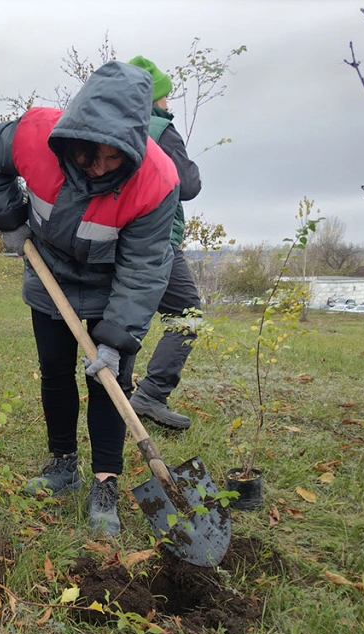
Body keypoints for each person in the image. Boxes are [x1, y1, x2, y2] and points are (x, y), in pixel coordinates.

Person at [0, 61, 179, 536]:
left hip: (110, 287)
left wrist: (116, 337)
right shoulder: (33, 135)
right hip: (47, 275)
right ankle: (62, 463)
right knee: (56, 371)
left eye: (114, 160)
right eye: (91, 155)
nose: (101, 167)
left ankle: (105, 482)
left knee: (110, 381)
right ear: (73, 137)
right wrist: (8, 218)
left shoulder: (157, 180)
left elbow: (144, 267)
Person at [126, 56, 203, 431]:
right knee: (187, 316)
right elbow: (188, 186)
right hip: (158, 238)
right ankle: (152, 394)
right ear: (153, 98)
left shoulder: (117, 128)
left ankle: (117, 394)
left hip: (119, 236)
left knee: (126, 315)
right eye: (165, 97)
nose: (169, 104)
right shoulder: (162, 130)